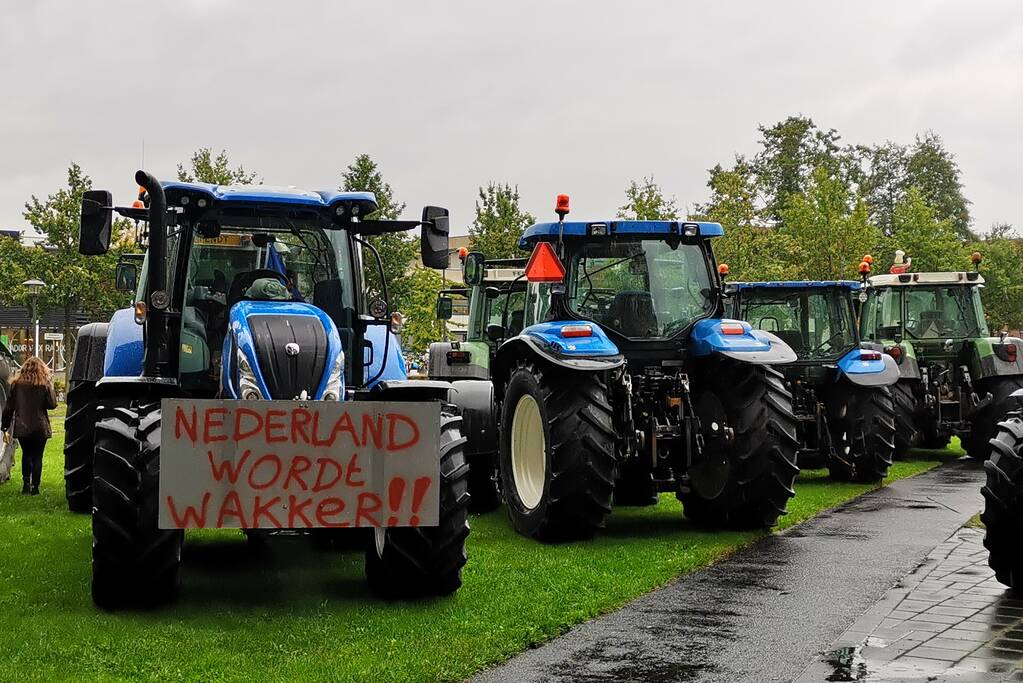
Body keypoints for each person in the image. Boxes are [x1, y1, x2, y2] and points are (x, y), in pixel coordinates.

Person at [1, 357, 57, 495]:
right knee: (38, 457)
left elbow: (9, 407)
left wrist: (5, 425)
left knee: (26, 455)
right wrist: (50, 387)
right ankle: (35, 487)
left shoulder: (16, 385)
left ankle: (26, 484)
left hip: (22, 427)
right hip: (40, 427)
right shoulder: (43, 384)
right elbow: (52, 404)